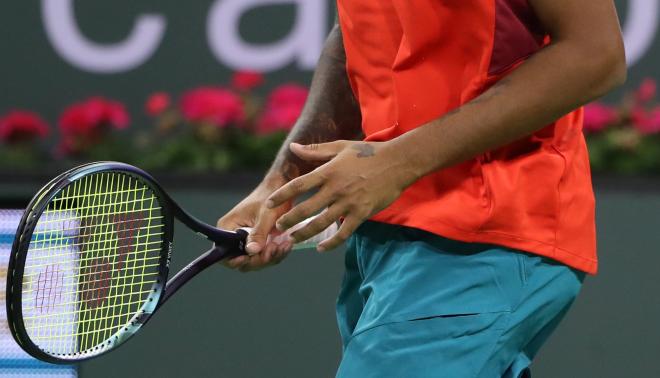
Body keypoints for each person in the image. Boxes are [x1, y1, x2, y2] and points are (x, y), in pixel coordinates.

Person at [217, 0, 626, 376]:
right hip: (386, 231)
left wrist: (397, 162)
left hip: (486, 232)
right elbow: (361, 28)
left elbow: (595, 54)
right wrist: (281, 183)